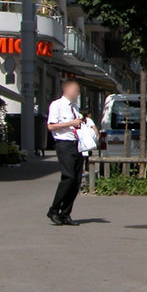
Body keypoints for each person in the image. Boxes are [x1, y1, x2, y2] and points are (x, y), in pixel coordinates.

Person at [46, 79, 85, 226]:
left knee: (76, 180)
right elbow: (51, 126)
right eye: (75, 91)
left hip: (77, 144)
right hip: (64, 144)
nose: (77, 94)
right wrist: (71, 123)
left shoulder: (74, 107)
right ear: (67, 90)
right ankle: (54, 210)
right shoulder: (57, 105)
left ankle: (66, 213)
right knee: (68, 177)